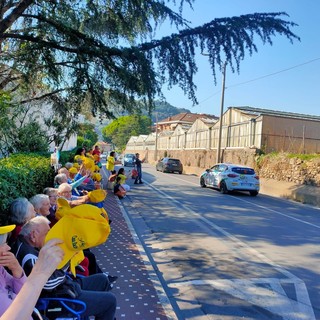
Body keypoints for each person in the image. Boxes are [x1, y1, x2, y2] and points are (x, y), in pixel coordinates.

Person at [12, 216, 117, 320]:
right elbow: (48, 284)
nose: (50, 236)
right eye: (47, 233)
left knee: (102, 280)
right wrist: (64, 266)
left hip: (66, 288)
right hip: (59, 300)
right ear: (33, 235)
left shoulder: (27, 246)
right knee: (110, 301)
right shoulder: (28, 255)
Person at [0, 221, 64, 320]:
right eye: (4, 244)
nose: (8, 248)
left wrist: (16, 268)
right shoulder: (28, 254)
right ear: (33, 234)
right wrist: (40, 273)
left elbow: (22, 293)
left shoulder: (1, 269)